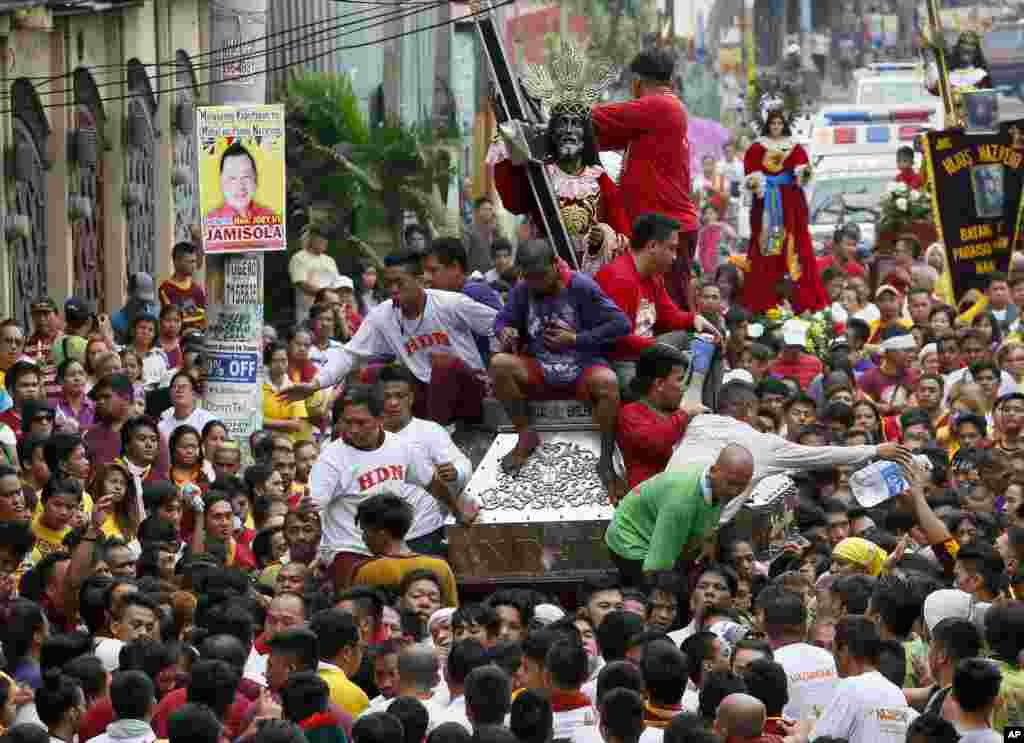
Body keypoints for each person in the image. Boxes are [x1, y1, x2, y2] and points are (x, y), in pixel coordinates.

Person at [283, 250, 498, 427]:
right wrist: (314, 384)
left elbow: (500, 325)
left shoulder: (452, 303)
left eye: (400, 283)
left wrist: (495, 368)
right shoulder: (382, 315)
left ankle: (434, 437)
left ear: (420, 280)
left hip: (468, 391)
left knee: (441, 363)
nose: (393, 289)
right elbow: (349, 355)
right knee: (374, 374)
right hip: (426, 393)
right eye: (389, 283)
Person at [491, 239, 629, 488]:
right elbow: (501, 321)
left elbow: (621, 324)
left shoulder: (580, 285)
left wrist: (575, 339)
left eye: (541, 276)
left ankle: (606, 457)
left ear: (555, 265)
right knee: (499, 363)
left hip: (582, 369)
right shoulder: (523, 290)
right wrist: (505, 331)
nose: (537, 283)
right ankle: (526, 434)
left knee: (608, 383)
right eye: (529, 277)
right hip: (540, 368)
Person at [308, 385, 474, 589]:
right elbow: (313, 508)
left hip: (390, 549)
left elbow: (432, 483)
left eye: (361, 423)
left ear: (380, 420)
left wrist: (458, 512)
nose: (352, 430)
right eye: (347, 422)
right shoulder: (330, 459)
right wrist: (317, 551)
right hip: (349, 550)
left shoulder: (401, 447)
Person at [490, 39, 629, 275]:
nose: (568, 130)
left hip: (591, 278)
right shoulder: (540, 174)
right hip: (545, 274)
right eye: (562, 123)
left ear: (585, 137)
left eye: (576, 124)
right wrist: (507, 132)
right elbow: (514, 203)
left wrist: (602, 239)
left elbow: (624, 238)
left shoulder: (600, 181)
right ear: (552, 133)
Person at [592, 48, 698, 310]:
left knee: (669, 310)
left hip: (668, 230)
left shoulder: (659, 105)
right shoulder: (658, 113)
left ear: (638, 81)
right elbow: (607, 134)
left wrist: (564, 116)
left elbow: (600, 118)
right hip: (661, 227)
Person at [595, 213, 719, 388]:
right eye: (672, 249)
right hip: (622, 361)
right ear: (652, 246)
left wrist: (694, 319)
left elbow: (668, 315)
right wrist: (660, 350)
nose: (675, 257)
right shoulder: (620, 278)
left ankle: (704, 409)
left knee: (708, 344)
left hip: (647, 353)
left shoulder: (654, 276)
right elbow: (617, 339)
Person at [605, 444, 754, 585]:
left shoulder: (718, 482)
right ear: (713, 471)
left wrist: (707, 540)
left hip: (663, 530)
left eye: (742, 486)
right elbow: (657, 566)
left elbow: (710, 516)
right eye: (731, 484)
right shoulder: (682, 501)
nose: (735, 492)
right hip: (630, 539)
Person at [741, 107, 827, 314]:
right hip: (767, 208)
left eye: (779, 123)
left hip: (790, 206)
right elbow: (749, 175)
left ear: (784, 125)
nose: (776, 127)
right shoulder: (756, 148)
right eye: (773, 124)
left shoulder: (794, 147)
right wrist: (756, 183)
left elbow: (803, 171)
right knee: (768, 246)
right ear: (767, 125)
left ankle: (801, 299)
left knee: (794, 243)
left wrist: (803, 172)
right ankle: (764, 300)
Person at [616, 344, 705, 491]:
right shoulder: (630, 414)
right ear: (659, 384)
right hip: (645, 505)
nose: (683, 388)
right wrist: (685, 414)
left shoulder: (675, 413)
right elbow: (657, 440)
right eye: (679, 380)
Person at [289, 225, 341, 326]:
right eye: (320, 237)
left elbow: (338, 284)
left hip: (331, 313)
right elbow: (301, 284)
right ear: (311, 238)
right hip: (308, 314)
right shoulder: (299, 258)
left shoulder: (330, 260)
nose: (324, 241)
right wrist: (324, 294)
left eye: (326, 238)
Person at [159, 242, 207, 334]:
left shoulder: (197, 290)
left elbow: (204, 319)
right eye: (190, 262)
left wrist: (199, 329)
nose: (193, 265)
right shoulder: (166, 289)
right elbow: (168, 323)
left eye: (194, 261)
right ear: (177, 262)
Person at [112, 273, 159, 346]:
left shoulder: (156, 316)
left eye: (147, 301)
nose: (143, 305)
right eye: (139, 300)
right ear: (129, 292)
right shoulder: (115, 322)